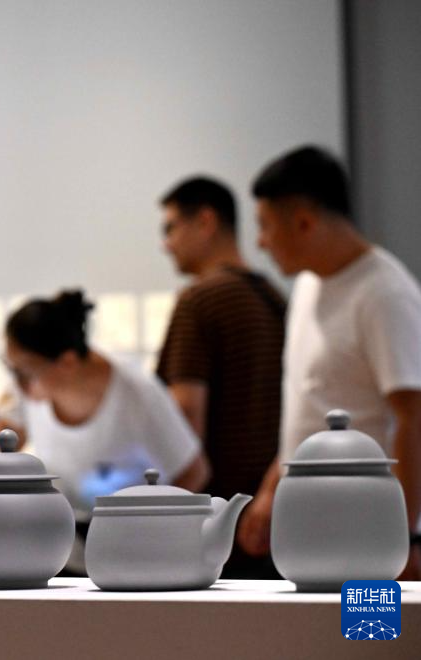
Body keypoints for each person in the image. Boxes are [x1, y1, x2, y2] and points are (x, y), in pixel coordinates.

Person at [237, 146, 421, 580]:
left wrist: (404, 538)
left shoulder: (384, 294)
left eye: (265, 225)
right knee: (317, 625)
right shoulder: (308, 285)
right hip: (314, 525)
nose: (260, 242)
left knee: (370, 623)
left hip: (369, 531)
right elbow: (312, 402)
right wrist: (271, 489)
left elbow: (413, 418)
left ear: (304, 222)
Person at [0, 290, 209, 572]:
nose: (18, 384)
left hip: (133, 550)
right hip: (62, 545)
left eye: (23, 372)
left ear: (67, 362)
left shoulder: (137, 394)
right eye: (11, 369)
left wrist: (147, 530)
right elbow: (5, 434)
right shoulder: (31, 386)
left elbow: (194, 472)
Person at [156, 176, 285, 578]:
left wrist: (160, 526)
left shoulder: (199, 300)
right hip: (273, 518)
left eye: (170, 228)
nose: (165, 244)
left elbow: (186, 420)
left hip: (213, 529)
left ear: (206, 222)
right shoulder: (275, 298)